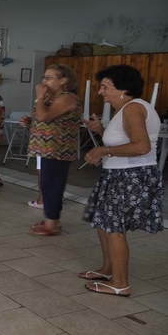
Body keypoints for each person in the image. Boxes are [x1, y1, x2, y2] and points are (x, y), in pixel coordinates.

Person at [80, 64, 163, 297]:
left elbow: (141, 146)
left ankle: (120, 283)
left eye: (105, 87)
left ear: (123, 89)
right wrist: (100, 131)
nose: (100, 92)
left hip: (130, 176)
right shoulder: (127, 108)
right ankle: (108, 270)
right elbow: (124, 141)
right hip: (119, 174)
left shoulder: (132, 109)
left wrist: (102, 151)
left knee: (114, 228)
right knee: (105, 224)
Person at [19, 64, 81, 235]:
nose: (44, 81)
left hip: (58, 149)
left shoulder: (66, 97)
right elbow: (43, 118)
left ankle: (52, 223)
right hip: (46, 148)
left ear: (63, 80)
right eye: (44, 77)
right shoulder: (51, 98)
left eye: (49, 77)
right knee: (46, 184)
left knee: (52, 184)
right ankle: (51, 219)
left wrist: (39, 97)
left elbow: (45, 116)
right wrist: (30, 122)